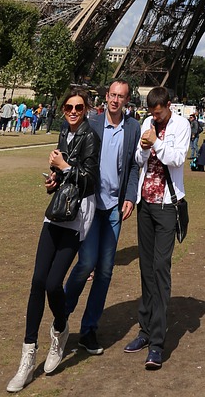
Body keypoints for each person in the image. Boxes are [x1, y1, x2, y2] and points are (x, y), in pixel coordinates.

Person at [7, 87, 99, 392]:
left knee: (51, 284)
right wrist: (54, 179)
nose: (73, 111)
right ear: (63, 110)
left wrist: (65, 168)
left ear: (87, 110)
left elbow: (90, 180)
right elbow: (62, 174)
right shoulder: (64, 133)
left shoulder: (91, 137)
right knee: (36, 282)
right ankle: (27, 356)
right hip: (56, 212)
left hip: (75, 219)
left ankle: (61, 327)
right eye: (69, 107)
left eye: (79, 107)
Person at [62, 79, 140, 356]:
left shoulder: (132, 127)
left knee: (105, 271)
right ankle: (62, 317)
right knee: (86, 264)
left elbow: (132, 165)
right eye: (113, 95)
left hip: (114, 207)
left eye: (121, 96)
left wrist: (130, 196)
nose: (116, 100)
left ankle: (89, 329)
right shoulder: (91, 123)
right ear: (106, 96)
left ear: (127, 100)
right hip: (90, 203)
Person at [123, 86, 190, 370]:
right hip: (145, 204)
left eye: (158, 112)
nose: (155, 117)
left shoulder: (181, 125)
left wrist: (156, 144)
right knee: (146, 269)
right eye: (152, 113)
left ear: (168, 105)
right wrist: (143, 147)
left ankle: (158, 344)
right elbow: (140, 162)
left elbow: (177, 158)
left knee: (161, 268)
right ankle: (145, 331)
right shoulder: (148, 124)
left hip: (167, 207)